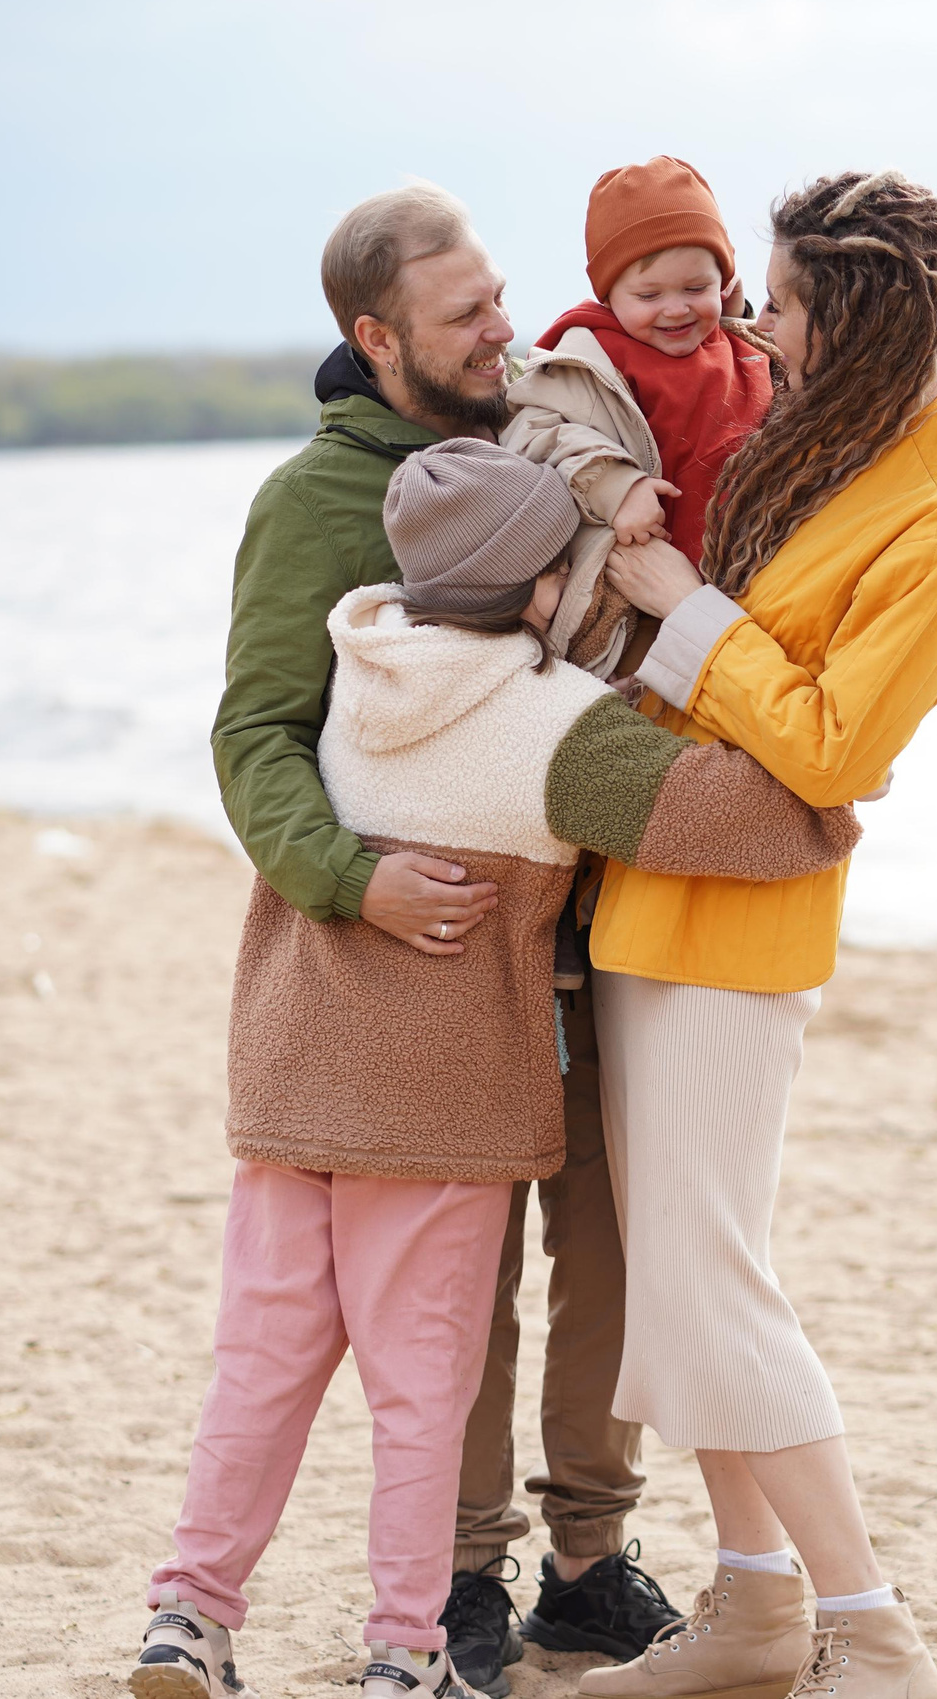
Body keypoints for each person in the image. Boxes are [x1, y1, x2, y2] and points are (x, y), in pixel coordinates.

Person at [133, 438, 864, 1699]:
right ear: (538, 591)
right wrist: (839, 798)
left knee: (258, 1369)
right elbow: (742, 823)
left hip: (290, 1079)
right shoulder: (544, 731)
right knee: (424, 1392)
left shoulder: (355, 662)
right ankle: (406, 1651)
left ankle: (186, 1618)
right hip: (442, 1107)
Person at [189, 182, 680, 1699]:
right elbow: (254, 732)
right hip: (428, 972)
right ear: (374, 333)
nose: (505, 330)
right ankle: (462, 1575)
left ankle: (589, 1564)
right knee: (452, 1297)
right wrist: (354, 878)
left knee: (609, 1264)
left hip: (597, 935)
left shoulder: (540, 444)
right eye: (468, 315)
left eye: (502, 298)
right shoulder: (317, 503)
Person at [578, 172, 937, 1699]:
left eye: (783, 302)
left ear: (861, 324)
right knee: (685, 1274)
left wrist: (686, 610)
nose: (755, 322)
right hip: (649, 889)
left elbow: (827, 747)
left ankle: (874, 1627)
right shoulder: (814, 435)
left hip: (745, 928)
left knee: (717, 1281)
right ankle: (759, 1600)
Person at [502, 156, 774, 680]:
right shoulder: (586, 358)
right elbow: (529, 437)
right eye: (649, 296)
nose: (675, 309)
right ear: (607, 294)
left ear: (725, 279)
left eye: (697, 288)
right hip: (640, 603)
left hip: (748, 593)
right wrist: (614, 486)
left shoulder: (743, 350)